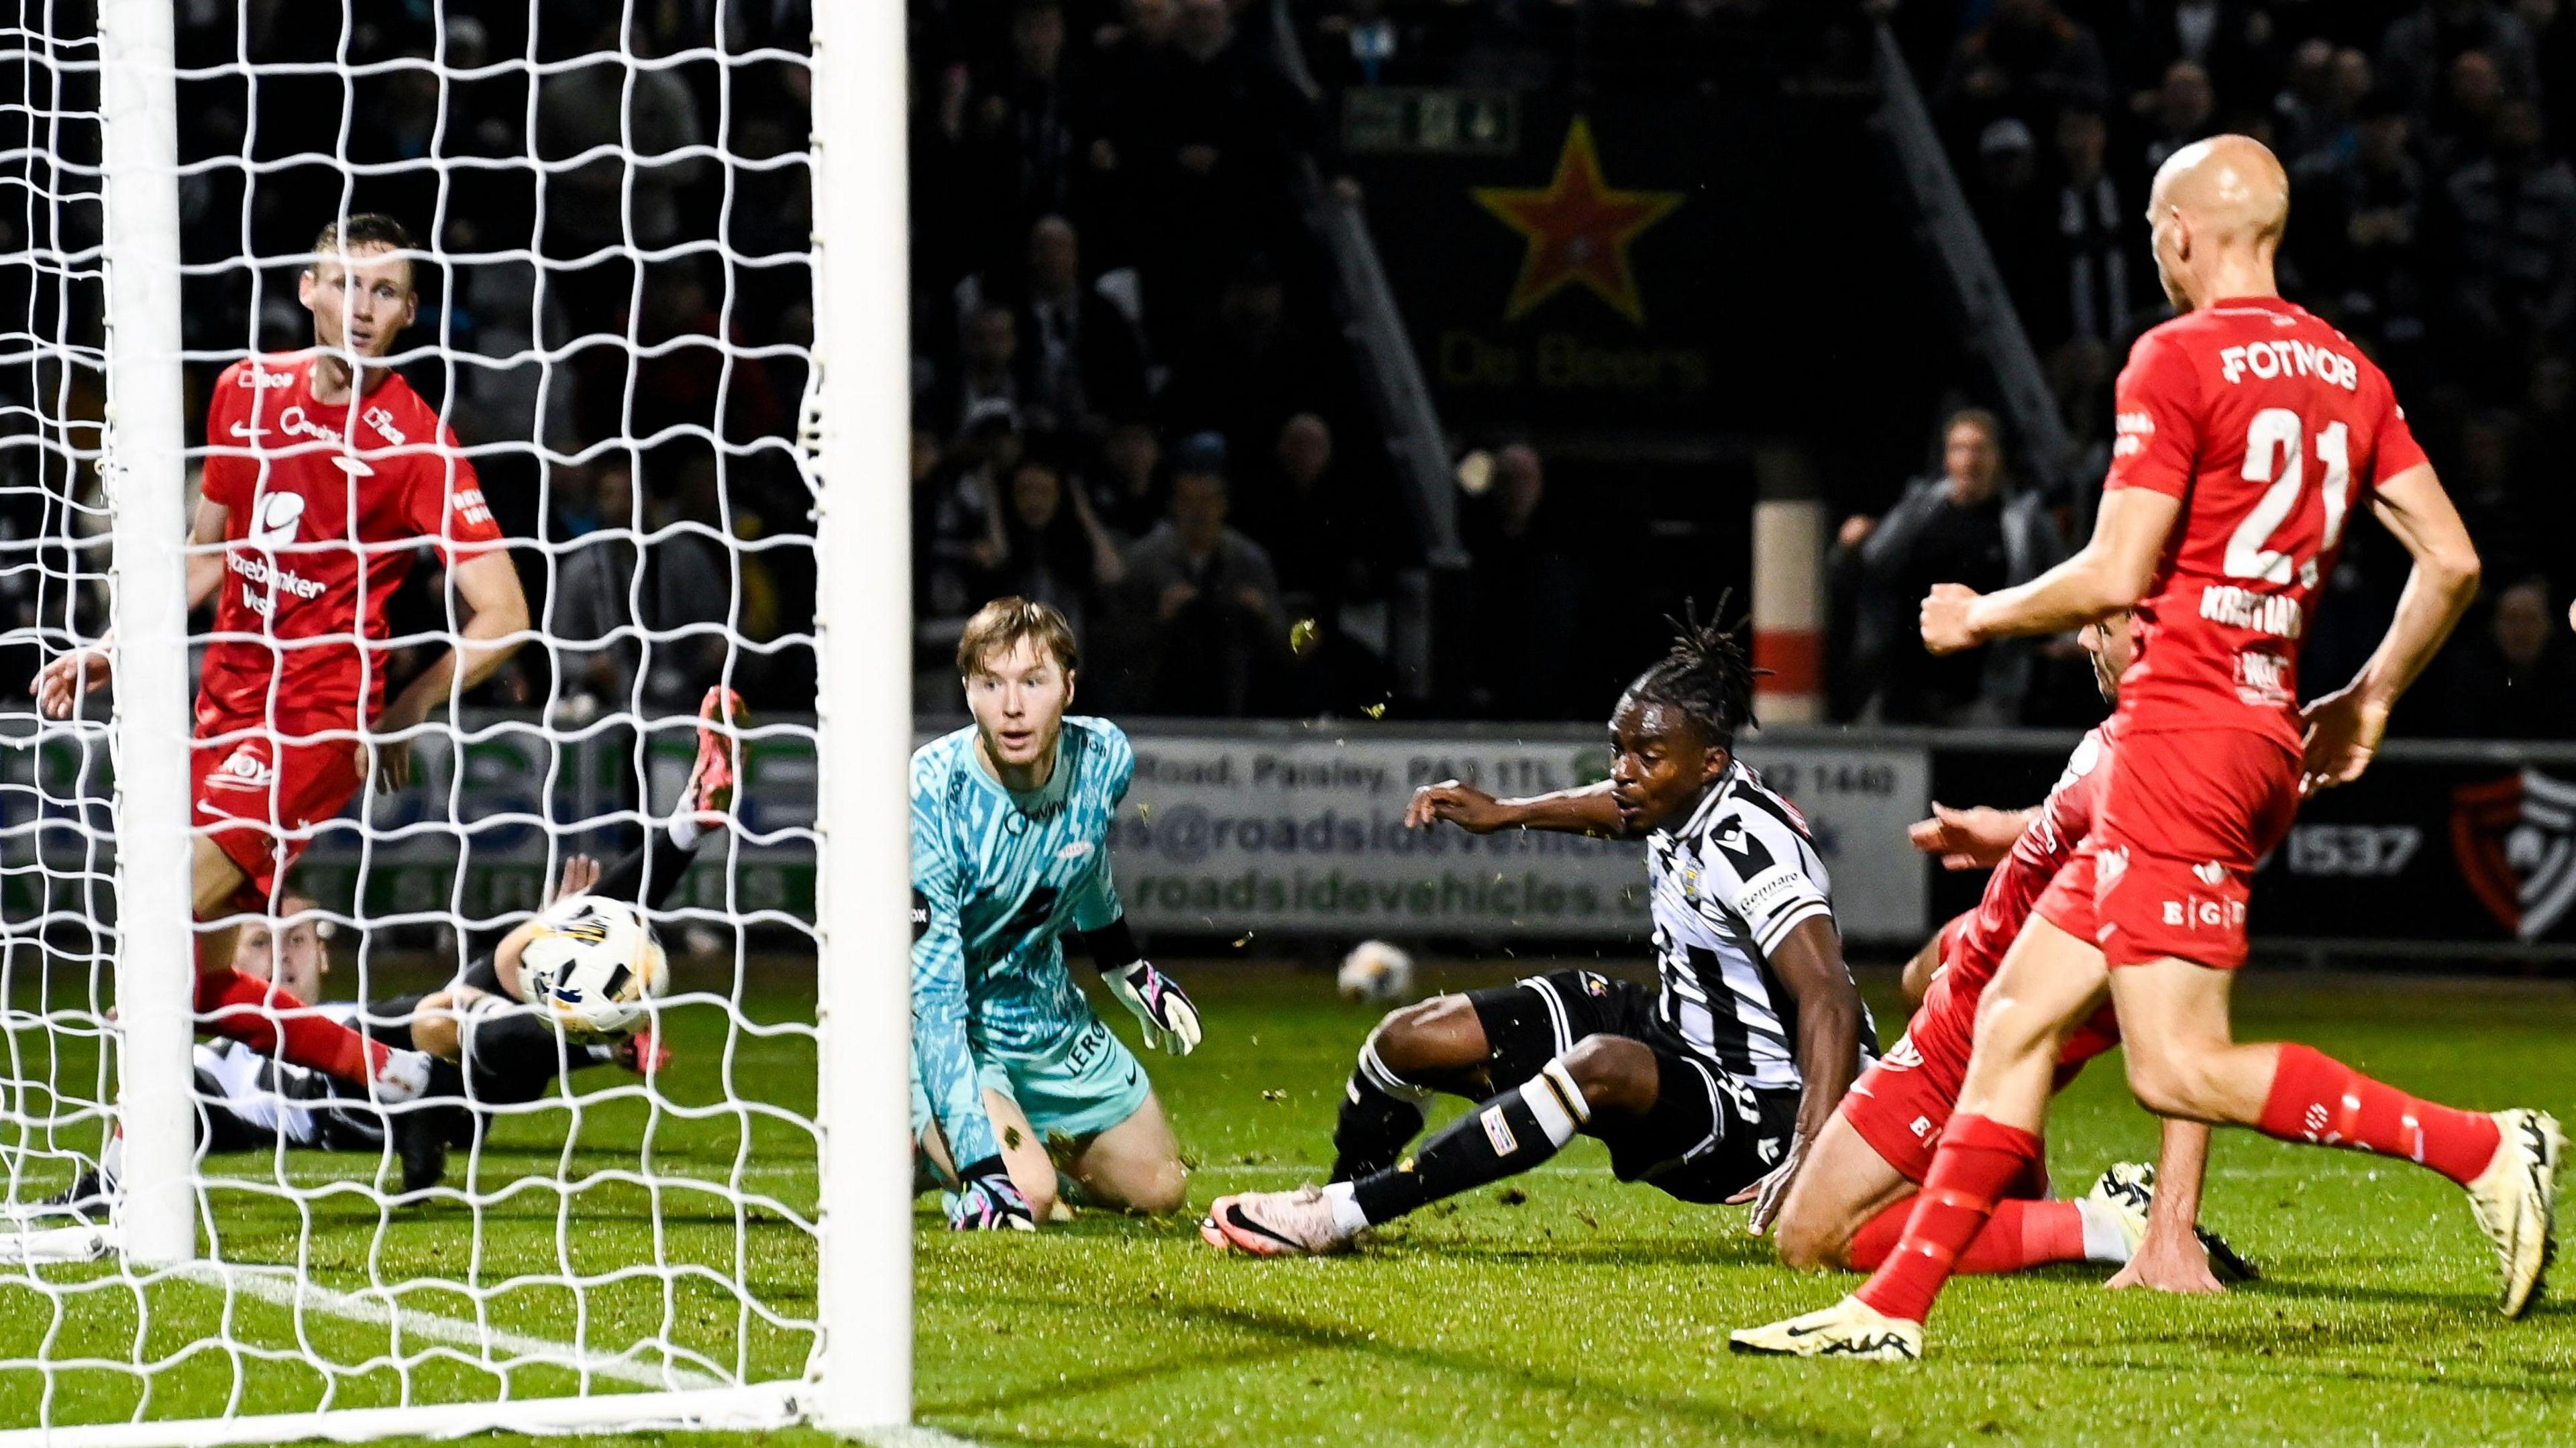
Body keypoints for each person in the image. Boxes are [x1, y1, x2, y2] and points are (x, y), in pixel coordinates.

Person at [1734, 135, 2557, 1361]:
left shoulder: (2175, 356)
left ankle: (2485, 1145)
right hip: (2256, 727)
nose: (2154, 253)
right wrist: (2372, 696)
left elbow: (2119, 571)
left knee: (2179, 1066)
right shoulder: (2351, 370)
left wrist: (1982, 614)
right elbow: (2454, 560)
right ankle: (1887, 1309)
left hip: (2181, 727)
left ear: (2184, 232)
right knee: (2013, 1013)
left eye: (2154, 232)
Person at [34, 213, 529, 1105]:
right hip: (223, 705)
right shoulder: (243, 391)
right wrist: (116, 645)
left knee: (155, 913)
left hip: (317, 719)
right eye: (343, 283)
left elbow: (504, 613)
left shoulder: (416, 442)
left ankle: (124, 1172)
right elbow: (209, 550)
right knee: (204, 982)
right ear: (307, 289)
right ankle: (405, 1080)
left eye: (384, 292)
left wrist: (405, 706)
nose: (361, 306)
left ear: (411, 311)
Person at [1200, 614, 1878, 1256]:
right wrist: (1505, 812)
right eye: (1618, 749)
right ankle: (1342, 1199)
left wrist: (1815, 1145)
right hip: (1679, 1028)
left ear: (1710, 762)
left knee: (1602, 1064)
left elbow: (1830, 995)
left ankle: (1333, 1217)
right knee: (1411, 1037)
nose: (1623, 770)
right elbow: (1618, 808)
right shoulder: (1679, 794)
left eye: (1647, 755)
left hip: (1765, 1104)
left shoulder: (1751, 844)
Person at [1770, 612, 2247, 1292]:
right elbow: (2092, 810)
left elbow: (2185, 1017)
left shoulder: (2168, 780)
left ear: (2150, 634)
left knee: (1810, 1236)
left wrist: (2174, 1225)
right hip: (1981, 962)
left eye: (2102, 625)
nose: (2084, 640)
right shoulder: (2136, 735)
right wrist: (2016, 831)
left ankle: (2109, 1226)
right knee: (1920, 971)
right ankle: (2023, 1179)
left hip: (1981, 1017)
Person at [910, 598, 1202, 1229]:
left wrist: (1127, 965)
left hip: (1047, 1020)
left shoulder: (1104, 758)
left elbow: (1082, 852)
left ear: (1068, 687)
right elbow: (932, 998)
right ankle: (927, 1152)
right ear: (968, 692)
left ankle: (1013, 1139)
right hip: (948, 1029)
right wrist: (984, 1170)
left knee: (1159, 1190)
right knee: (1028, 1197)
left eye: (1033, 683)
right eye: (992, 684)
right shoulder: (932, 793)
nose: (1012, 707)